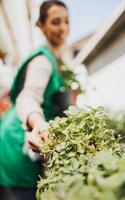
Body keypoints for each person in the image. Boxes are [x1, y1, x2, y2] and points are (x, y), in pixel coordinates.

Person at [0, 1, 72, 199]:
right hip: (19, 138)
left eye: (66, 21)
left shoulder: (56, 58)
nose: (63, 28)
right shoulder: (42, 61)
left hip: (20, 132)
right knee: (28, 192)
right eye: (56, 22)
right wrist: (38, 123)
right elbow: (28, 96)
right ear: (41, 25)